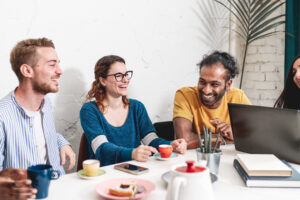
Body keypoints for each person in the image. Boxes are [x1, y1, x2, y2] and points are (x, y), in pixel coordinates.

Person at [80, 55, 187, 166]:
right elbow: (102, 149)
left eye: (126, 74)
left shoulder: (137, 107)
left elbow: (151, 141)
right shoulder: (89, 111)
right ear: (103, 80)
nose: (126, 80)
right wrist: (132, 153)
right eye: (118, 76)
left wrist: (171, 145)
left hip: (135, 170)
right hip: (106, 174)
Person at [0, 38, 76, 174]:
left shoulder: (45, 102)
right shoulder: (2, 116)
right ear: (27, 71)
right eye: (52, 65)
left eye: (58, 64)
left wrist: (61, 142)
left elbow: (41, 132)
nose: (60, 71)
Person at [173, 51, 251, 149]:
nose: (206, 90)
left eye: (214, 84)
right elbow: (185, 140)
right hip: (193, 159)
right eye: (202, 82)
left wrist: (199, 139)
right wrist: (226, 138)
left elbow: (252, 137)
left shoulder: (238, 97)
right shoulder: (185, 96)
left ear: (228, 85)